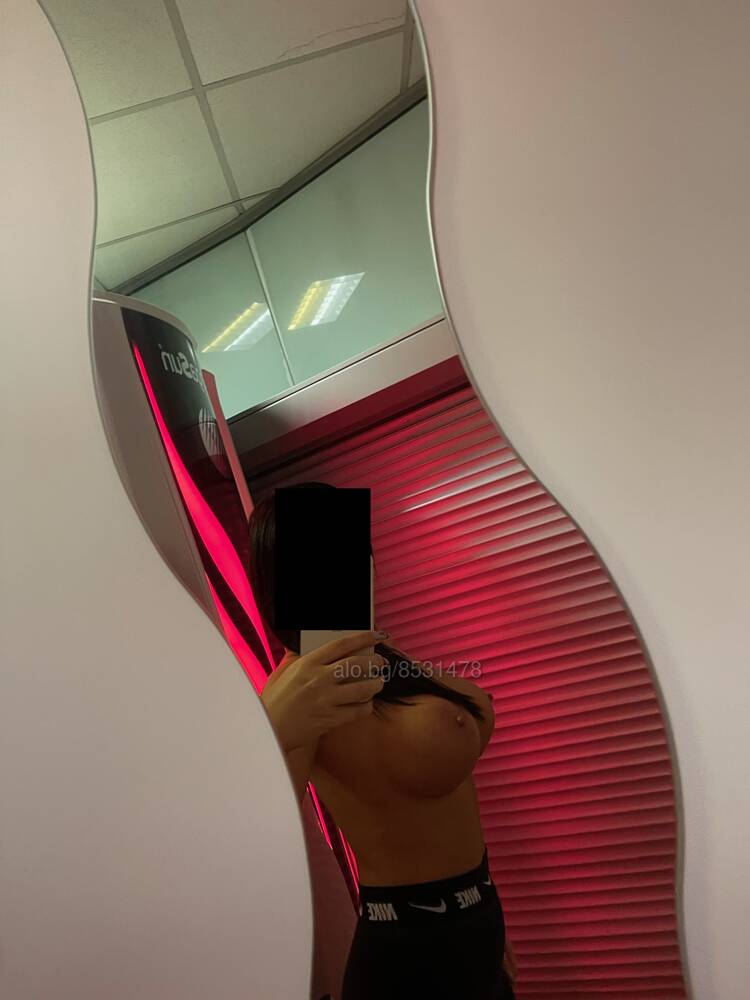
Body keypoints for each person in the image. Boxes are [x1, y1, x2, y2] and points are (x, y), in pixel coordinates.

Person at [247, 483, 517, 1000]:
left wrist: (482, 918)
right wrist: (270, 727)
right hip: (410, 953)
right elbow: (260, 835)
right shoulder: (306, 688)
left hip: (475, 925)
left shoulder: (377, 653)